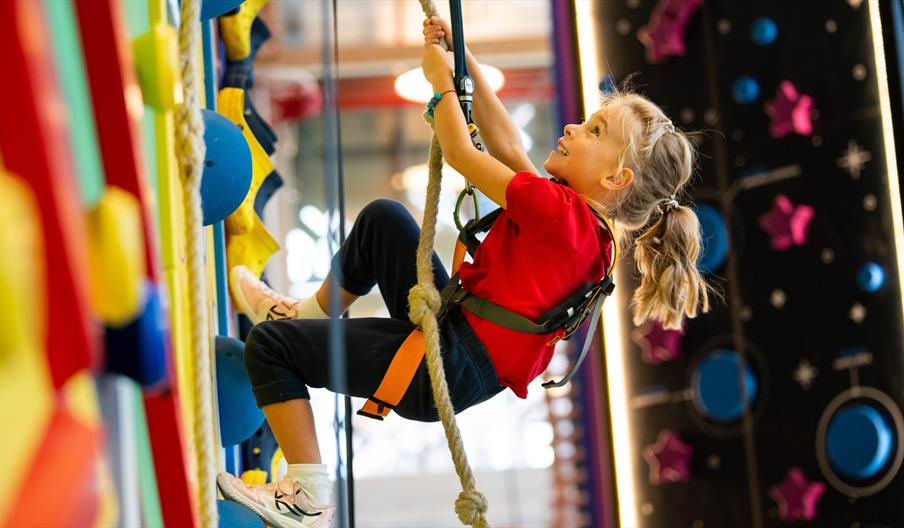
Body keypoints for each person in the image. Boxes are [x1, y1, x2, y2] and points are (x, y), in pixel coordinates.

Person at [216, 16, 709, 528]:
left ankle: (305, 494)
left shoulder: (565, 218)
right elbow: (510, 147)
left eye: (594, 131)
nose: (572, 128)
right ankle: (310, 313)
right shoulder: (589, 237)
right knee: (383, 221)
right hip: (455, 340)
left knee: (271, 348)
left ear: (615, 177)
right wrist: (463, 61)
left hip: (443, 367)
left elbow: (462, 153)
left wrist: (439, 84)